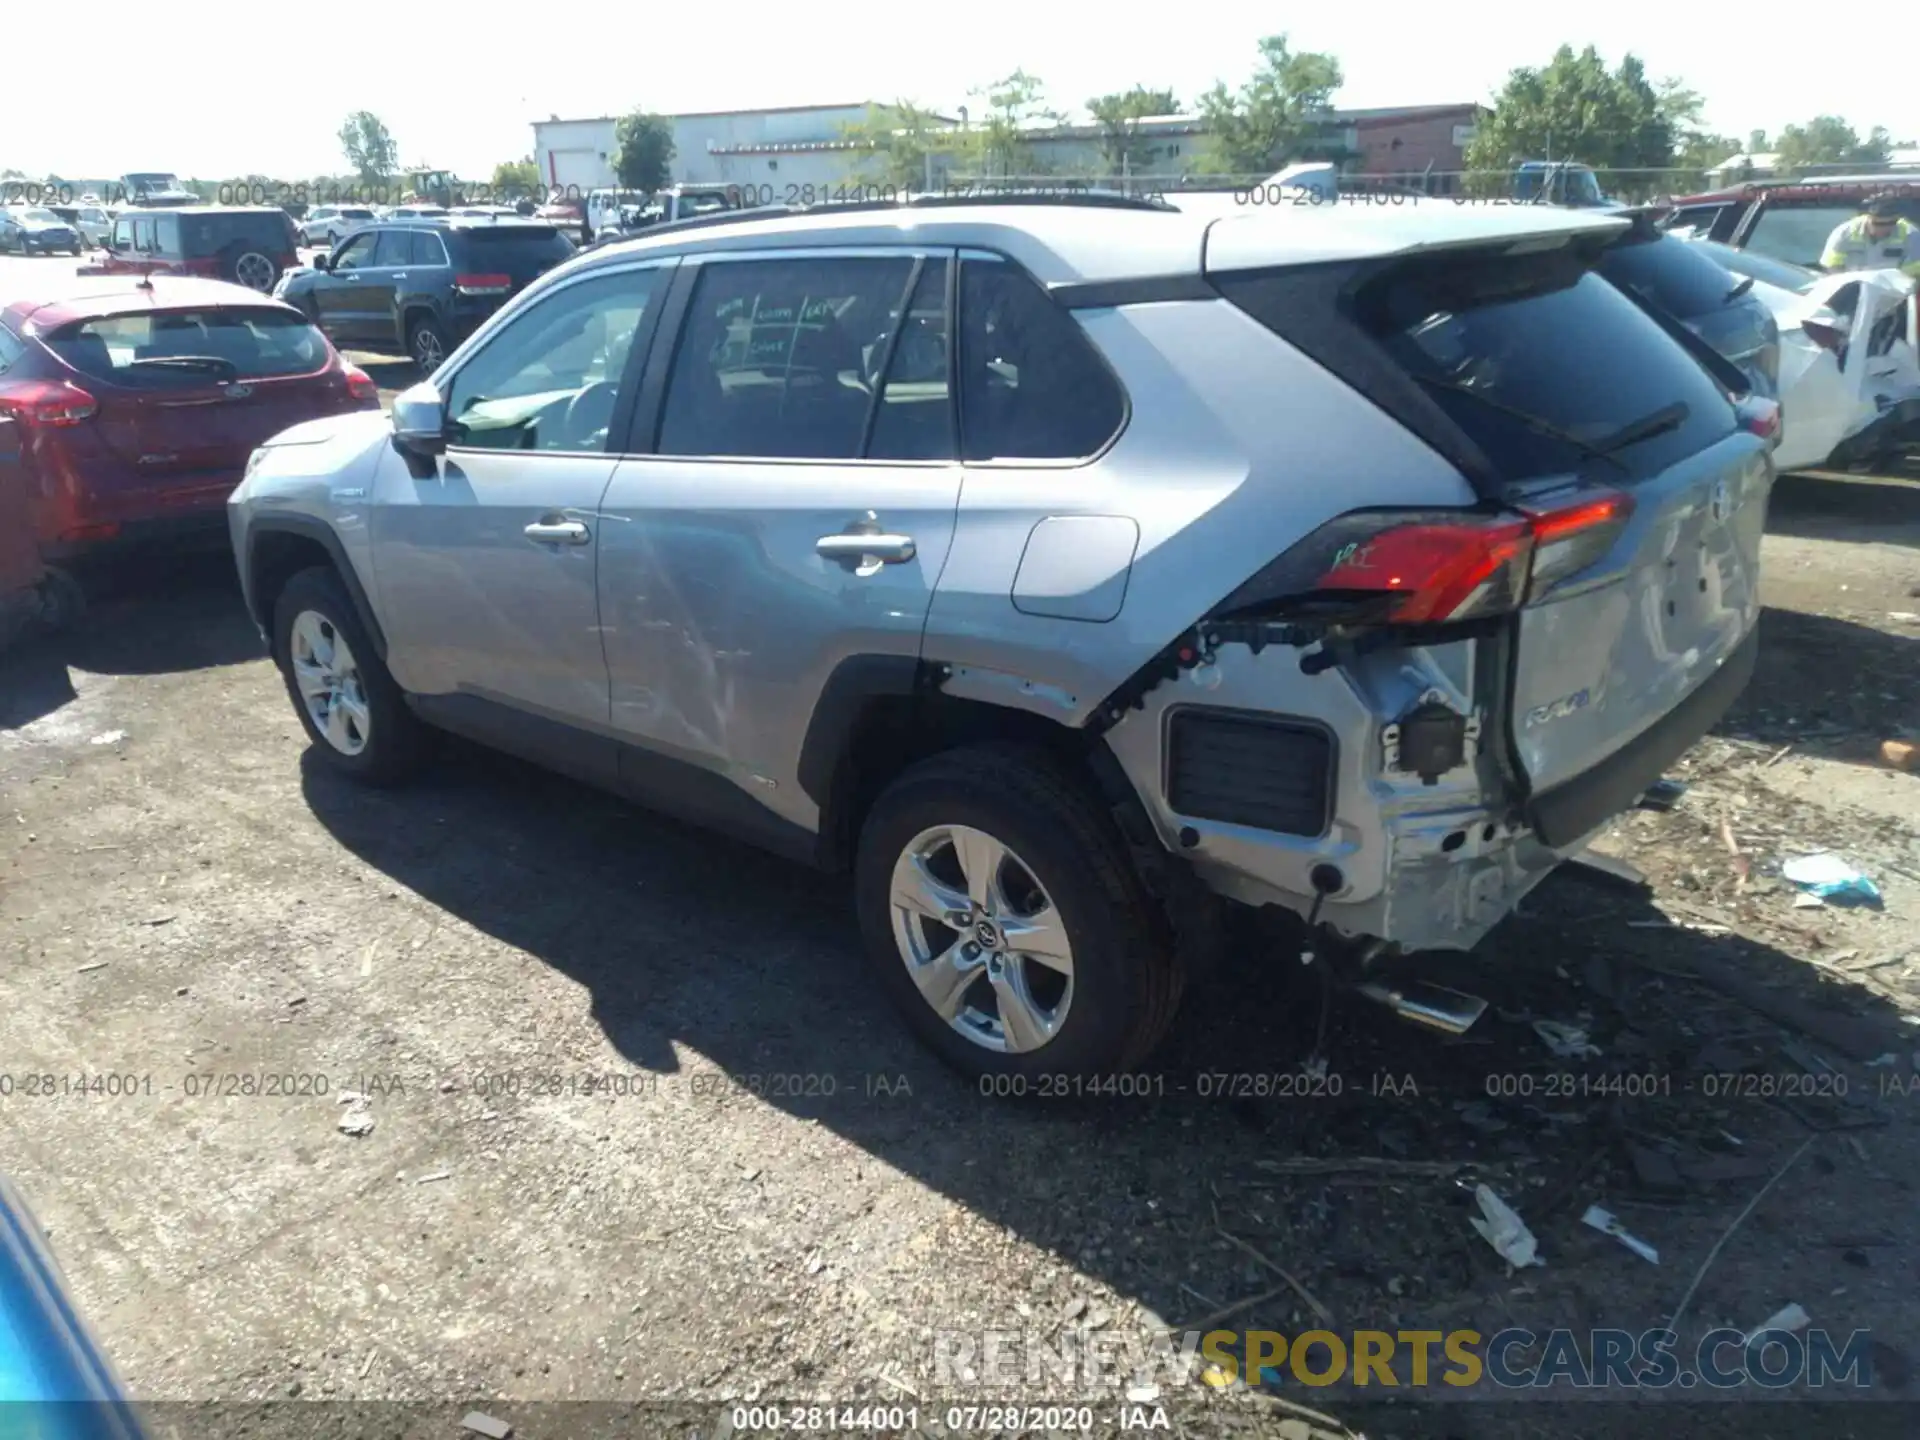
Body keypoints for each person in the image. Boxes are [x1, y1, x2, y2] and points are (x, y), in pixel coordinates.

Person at [1819, 192, 1920, 275]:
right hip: (1852, 291)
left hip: (1895, 293)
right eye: (1877, 223)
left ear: (1897, 219)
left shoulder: (1911, 235)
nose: (1883, 228)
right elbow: (1831, 265)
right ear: (1867, 217)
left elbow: (1914, 271)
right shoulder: (1844, 233)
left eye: (1890, 223)